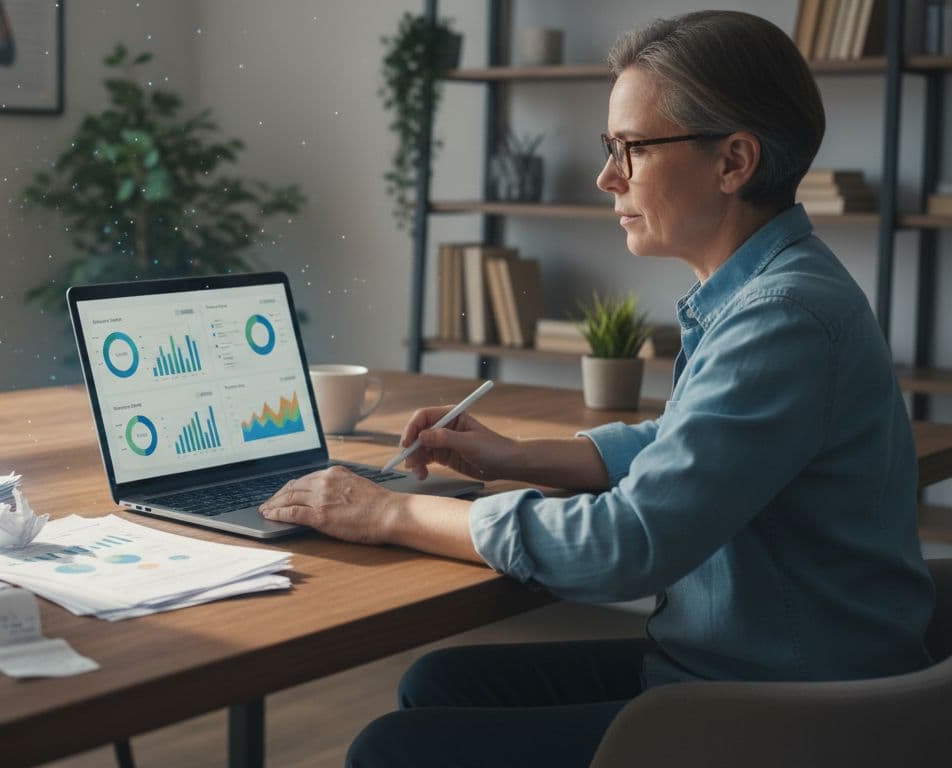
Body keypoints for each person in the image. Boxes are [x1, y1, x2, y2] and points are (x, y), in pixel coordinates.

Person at [259, 10, 935, 768]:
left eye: (630, 149)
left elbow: (628, 543)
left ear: (734, 161)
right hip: (749, 665)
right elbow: (691, 444)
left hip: (795, 713)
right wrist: (515, 456)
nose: (606, 176)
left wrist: (389, 512)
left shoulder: (783, 318)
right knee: (437, 681)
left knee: (392, 749)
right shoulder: (768, 291)